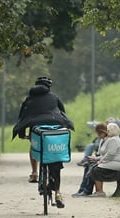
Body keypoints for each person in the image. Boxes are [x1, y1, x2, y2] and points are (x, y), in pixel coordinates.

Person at [11, 76, 74, 207]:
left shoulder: (29, 99)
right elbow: (62, 113)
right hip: (55, 125)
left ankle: (34, 172)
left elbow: (22, 117)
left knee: (35, 144)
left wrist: (22, 133)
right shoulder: (54, 97)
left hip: (36, 127)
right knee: (55, 160)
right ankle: (58, 193)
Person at [90, 122, 120, 197]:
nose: (107, 132)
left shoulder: (114, 140)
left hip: (117, 163)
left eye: (108, 130)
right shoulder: (111, 139)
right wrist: (97, 159)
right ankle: (98, 190)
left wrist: (101, 161)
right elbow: (105, 154)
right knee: (95, 167)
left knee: (97, 169)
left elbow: (110, 154)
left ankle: (100, 191)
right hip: (112, 161)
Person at [72, 122, 109, 197]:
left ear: (103, 132)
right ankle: (82, 189)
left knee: (92, 166)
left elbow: (108, 155)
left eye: (99, 134)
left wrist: (96, 158)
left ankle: (87, 190)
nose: (99, 136)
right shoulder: (102, 139)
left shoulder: (109, 140)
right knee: (87, 165)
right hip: (103, 160)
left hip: (107, 162)